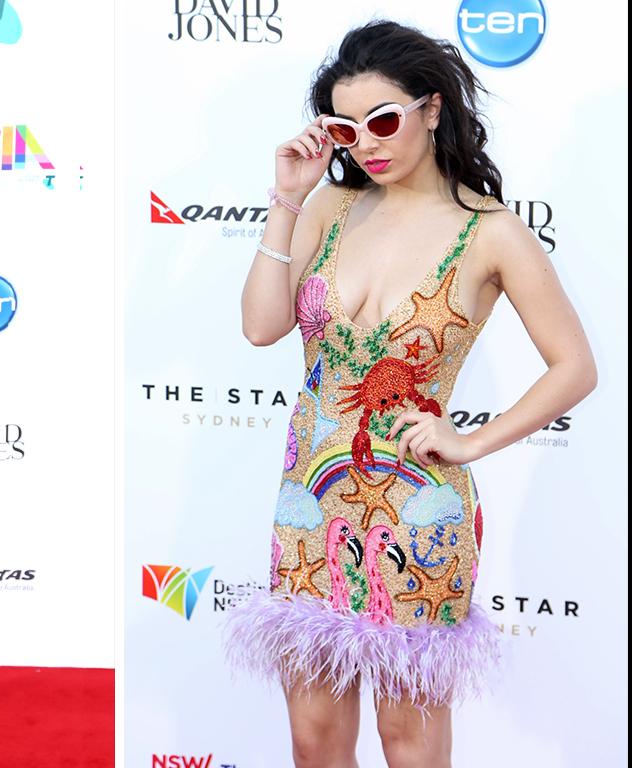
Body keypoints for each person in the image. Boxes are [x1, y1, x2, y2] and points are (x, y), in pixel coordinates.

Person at [223, 20, 596, 768]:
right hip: (310, 501)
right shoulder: (328, 207)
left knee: (408, 741)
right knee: (314, 741)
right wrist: (287, 200)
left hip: (419, 512)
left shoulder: (489, 231)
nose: (368, 142)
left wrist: (470, 440)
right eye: (345, 128)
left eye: (385, 120)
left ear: (431, 109)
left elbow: (574, 367)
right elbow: (262, 327)